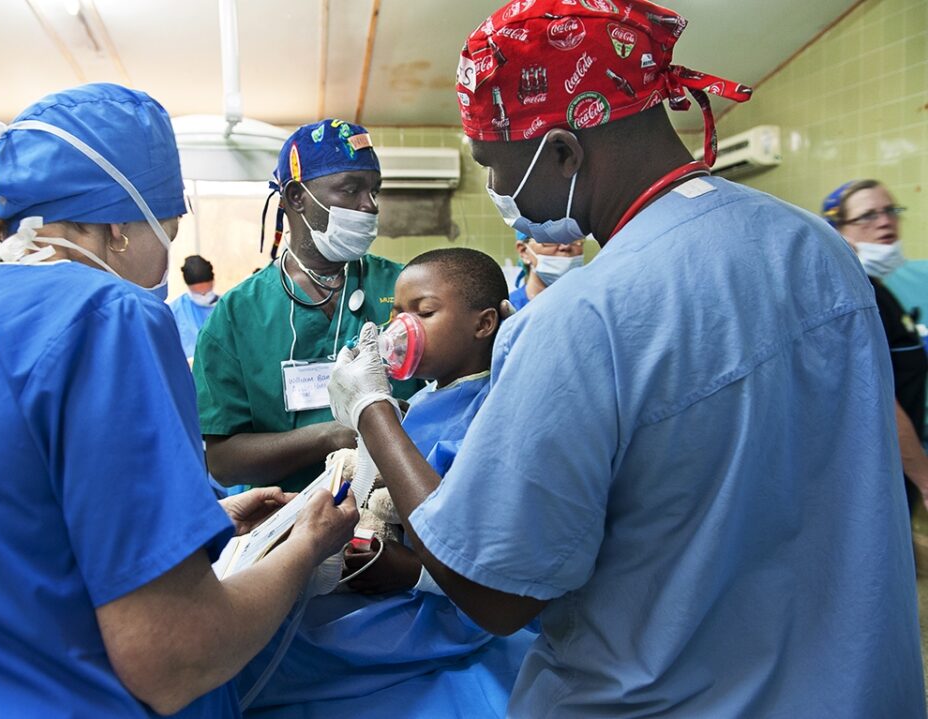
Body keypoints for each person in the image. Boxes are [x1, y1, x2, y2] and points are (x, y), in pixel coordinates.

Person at [329, 2, 926, 716]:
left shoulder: (582, 319)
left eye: (494, 167)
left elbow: (493, 592)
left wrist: (370, 410)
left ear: (561, 152)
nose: (499, 193)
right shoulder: (818, 248)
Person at [0, 83, 358, 718]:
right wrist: (308, 544)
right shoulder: (109, 317)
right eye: (168, 226)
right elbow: (173, 657)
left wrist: (201, 526)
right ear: (119, 226)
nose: (169, 251)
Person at [238, 247, 534, 719]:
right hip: (391, 579)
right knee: (273, 624)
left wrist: (410, 571)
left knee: (285, 651)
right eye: (395, 312)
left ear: (483, 325)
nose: (401, 328)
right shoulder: (427, 400)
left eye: (425, 312)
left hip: (446, 604)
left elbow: (482, 546)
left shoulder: (491, 413)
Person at [194, 119, 422, 493]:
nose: (369, 205)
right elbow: (223, 462)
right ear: (297, 197)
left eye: (374, 191)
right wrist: (330, 436)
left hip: (396, 514)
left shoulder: (404, 288)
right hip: (287, 524)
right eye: (350, 190)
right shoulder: (237, 316)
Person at [823, 180, 928, 513]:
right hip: (878, 469)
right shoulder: (856, 299)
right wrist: (924, 479)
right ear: (838, 231)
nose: (885, 222)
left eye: (890, 210)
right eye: (867, 216)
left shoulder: (882, 290)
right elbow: (878, 400)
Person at [508, 229, 584, 310]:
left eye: (573, 237)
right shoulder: (510, 311)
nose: (566, 246)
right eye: (551, 238)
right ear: (524, 251)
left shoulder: (592, 304)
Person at [170, 254, 218, 360]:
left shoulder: (225, 307)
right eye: (198, 293)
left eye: (206, 292)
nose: (203, 295)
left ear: (213, 281)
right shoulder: (175, 310)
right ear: (188, 287)